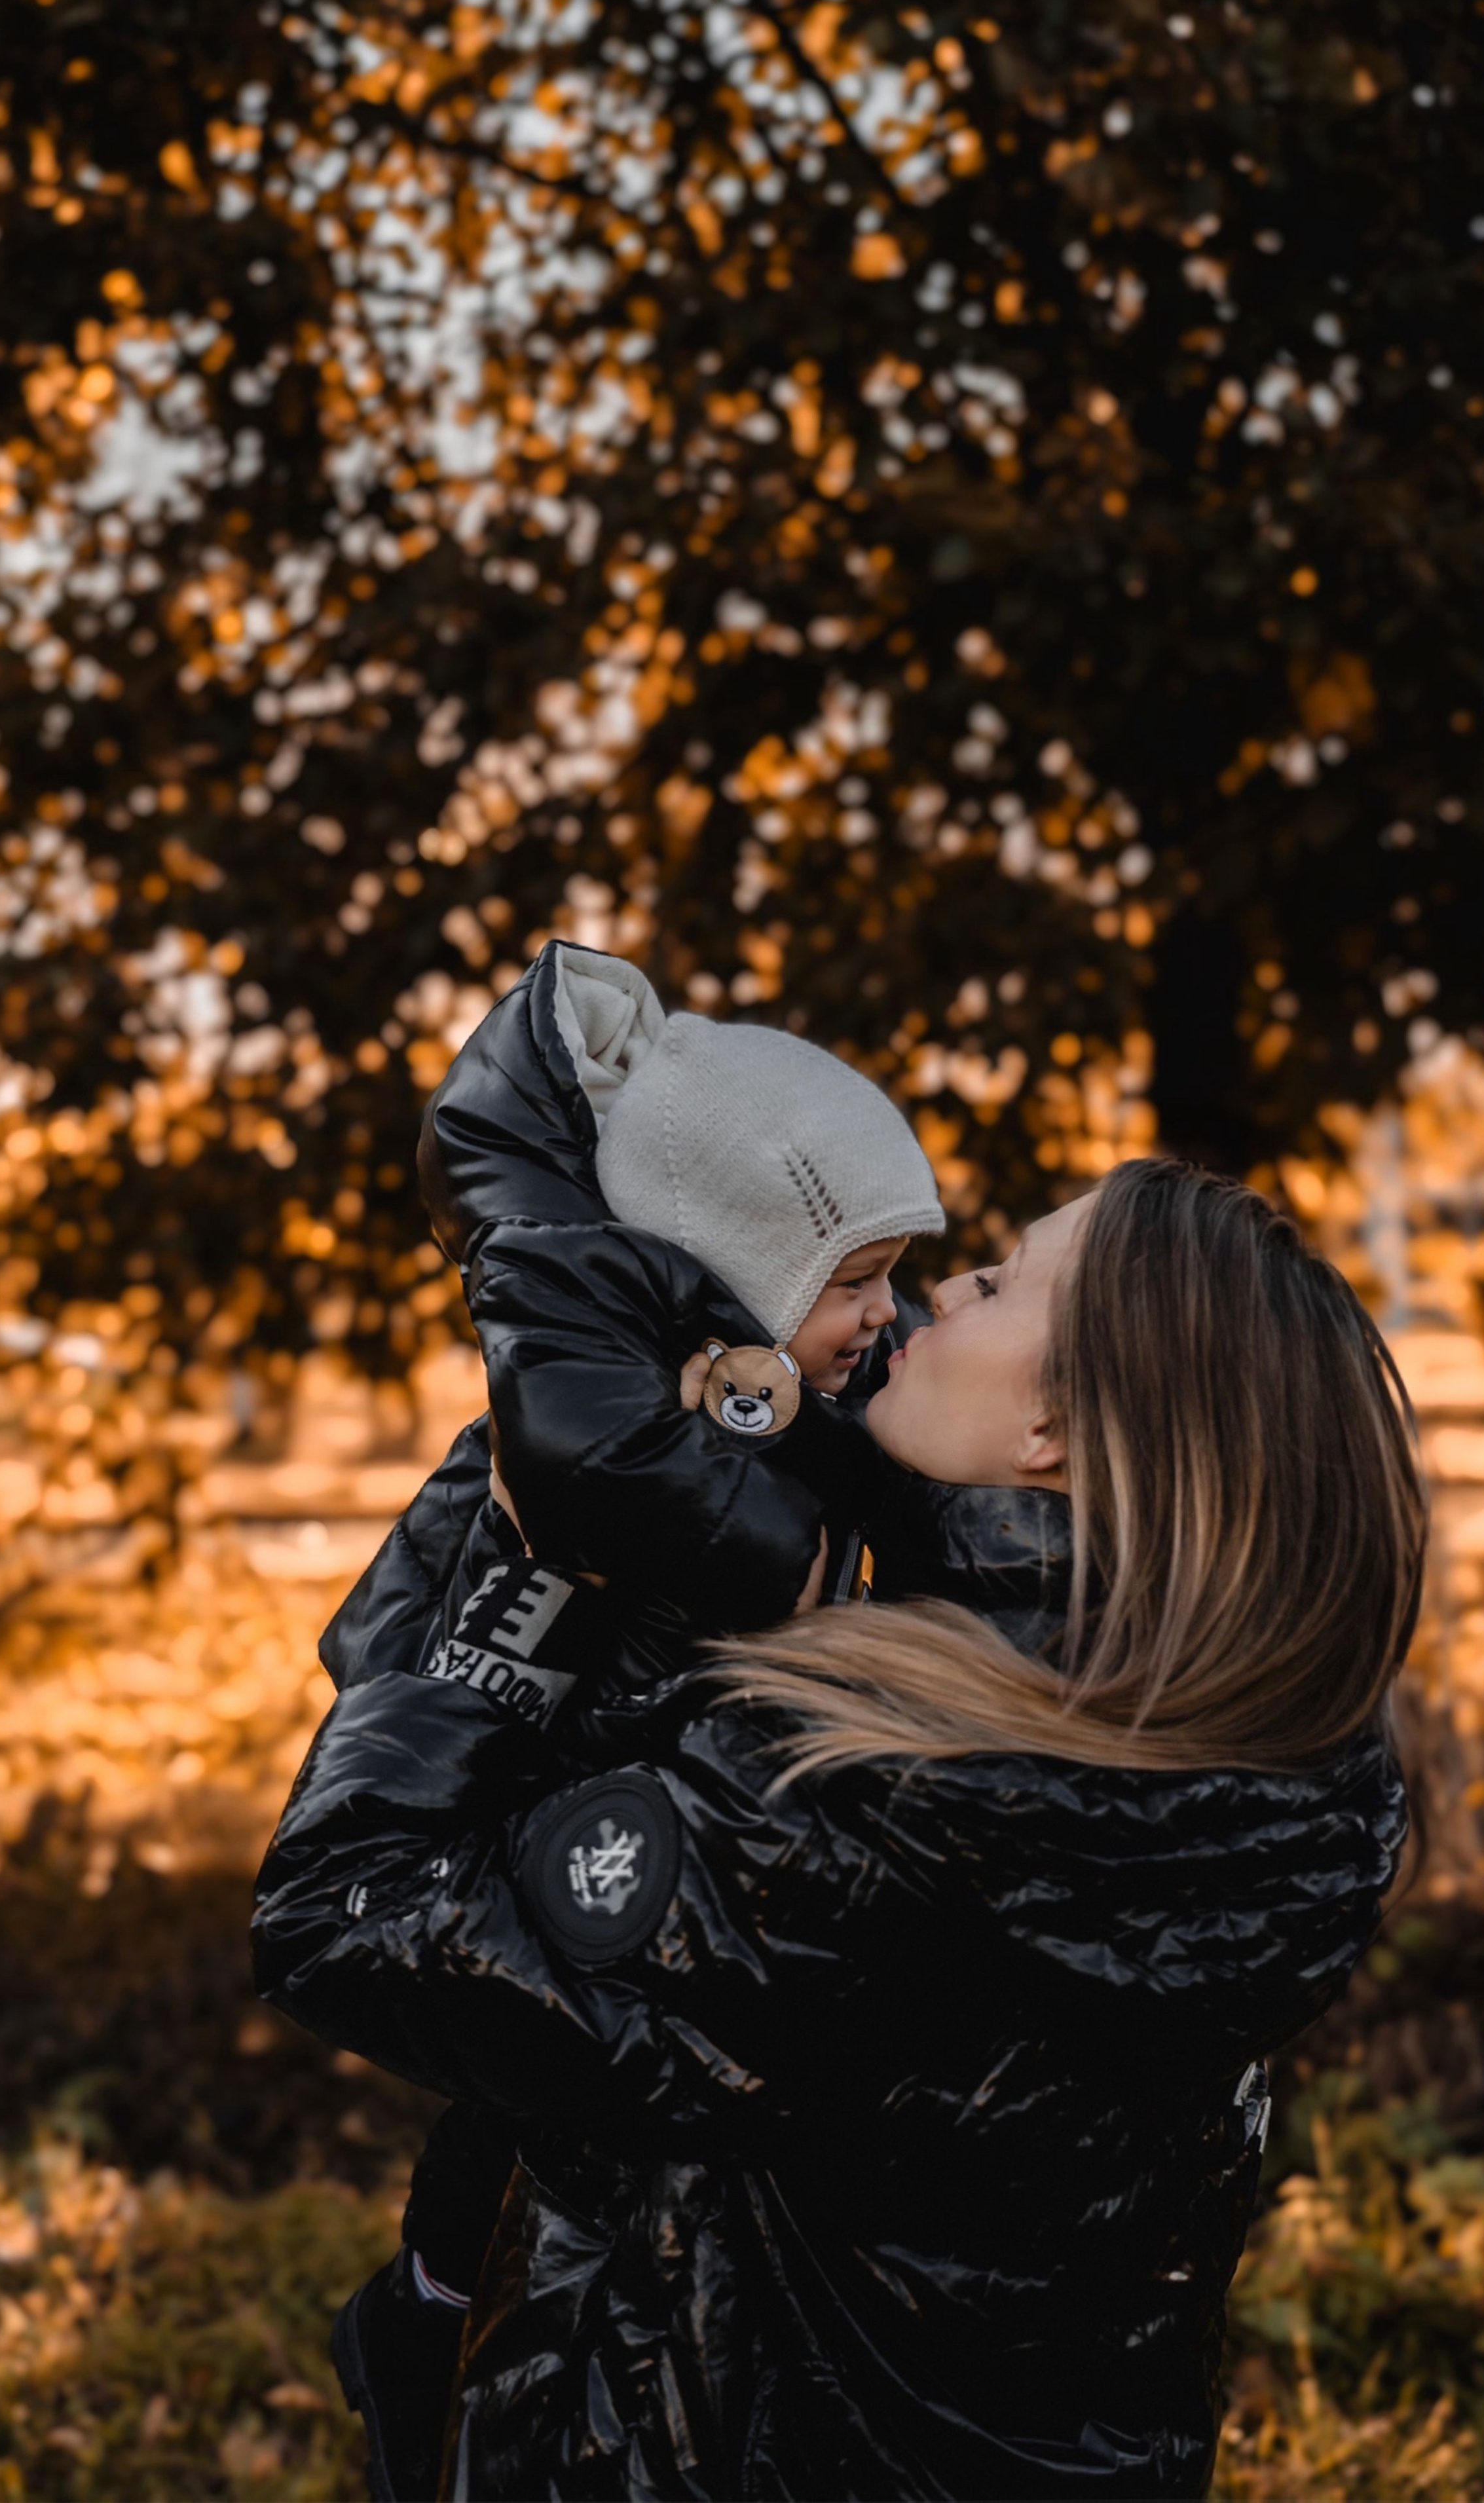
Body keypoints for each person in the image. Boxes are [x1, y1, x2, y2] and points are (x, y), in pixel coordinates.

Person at [253, 1156, 1425, 2500]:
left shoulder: (880, 1791)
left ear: (1052, 1427)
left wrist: (538, 1547)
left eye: (999, 1285)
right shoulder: (1261, 1760)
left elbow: (348, 1915)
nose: (941, 1293)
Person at [319, 940, 944, 2499]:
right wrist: (784, 1544)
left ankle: (468, 2326)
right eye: (854, 1282)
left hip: (626, 1785)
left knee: (559, 2110)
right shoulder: (609, 1374)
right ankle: (426, 2319)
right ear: (735, 1273)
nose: (888, 1316)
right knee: (518, 2102)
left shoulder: (752, 1369)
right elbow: (592, 1475)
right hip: (537, 1772)